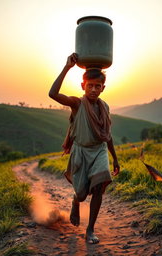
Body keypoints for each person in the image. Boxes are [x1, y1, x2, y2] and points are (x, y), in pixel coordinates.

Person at [49, 53, 120, 244]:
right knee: (81, 194)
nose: (94, 90)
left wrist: (114, 157)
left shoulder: (104, 107)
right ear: (83, 86)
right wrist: (67, 67)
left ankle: (90, 230)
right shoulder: (77, 104)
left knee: (98, 188)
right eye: (90, 85)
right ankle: (75, 202)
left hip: (99, 151)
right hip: (81, 151)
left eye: (98, 86)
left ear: (103, 88)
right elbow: (53, 94)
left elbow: (107, 135)